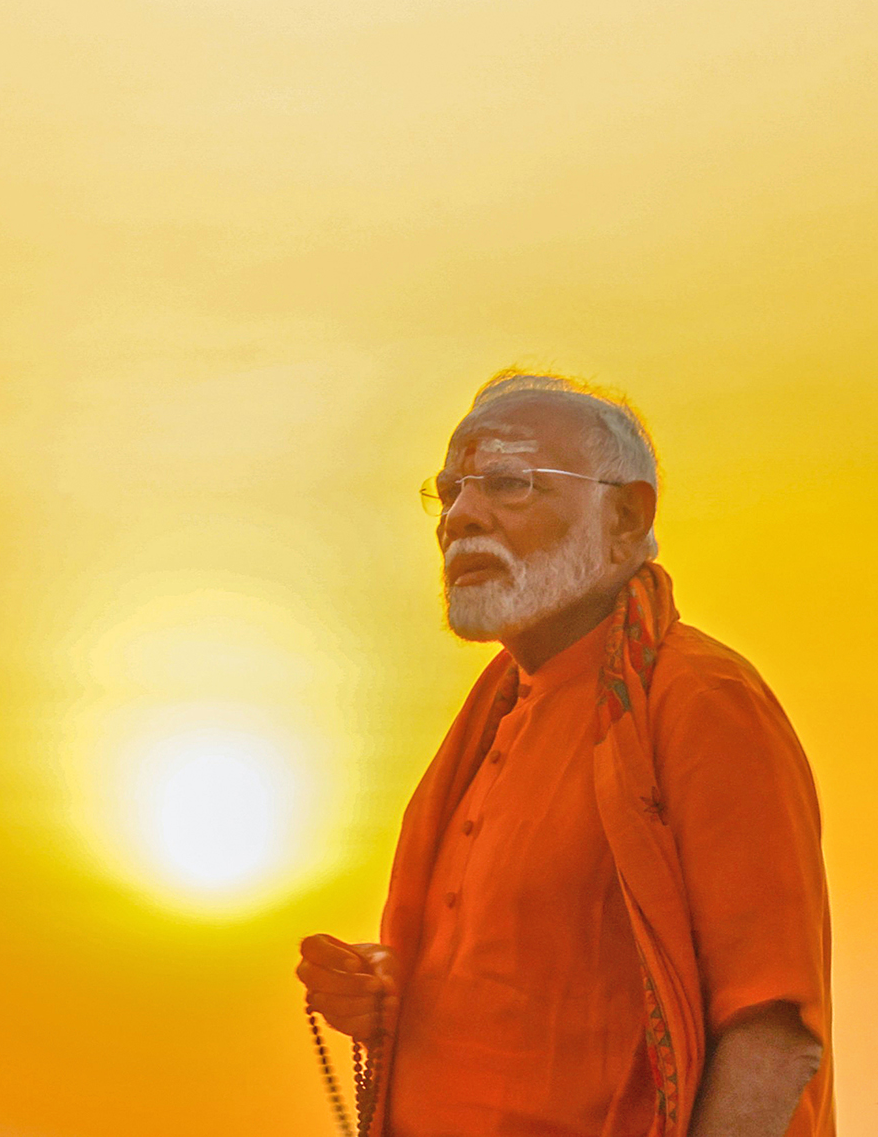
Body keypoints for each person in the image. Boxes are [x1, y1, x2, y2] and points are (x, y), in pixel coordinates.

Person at [298, 372, 832, 1137]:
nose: (460, 517)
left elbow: (774, 1031)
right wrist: (387, 988)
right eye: (446, 492)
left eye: (507, 484)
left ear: (624, 515)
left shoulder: (700, 702)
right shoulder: (495, 717)